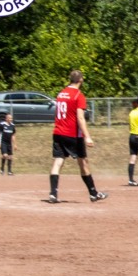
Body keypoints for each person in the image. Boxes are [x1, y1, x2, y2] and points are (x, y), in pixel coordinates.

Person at [49, 70, 107, 203]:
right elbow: (80, 117)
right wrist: (87, 136)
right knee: (83, 163)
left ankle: (53, 194)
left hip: (58, 132)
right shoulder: (78, 95)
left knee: (58, 162)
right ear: (81, 80)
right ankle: (93, 193)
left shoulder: (61, 93)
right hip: (72, 134)